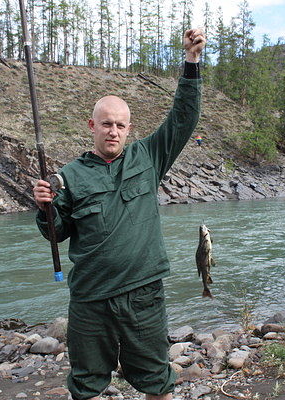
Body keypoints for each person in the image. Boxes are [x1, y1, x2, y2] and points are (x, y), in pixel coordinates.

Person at [33, 28, 205, 400]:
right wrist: (44, 206)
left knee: (157, 380)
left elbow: (183, 119)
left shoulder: (148, 157)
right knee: (86, 384)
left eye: (120, 124)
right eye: (106, 123)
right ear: (92, 126)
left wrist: (191, 62)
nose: (113, 131)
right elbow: (55, 233)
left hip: (143, 294)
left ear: (129, 129)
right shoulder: (69, 176)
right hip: (90, 300)